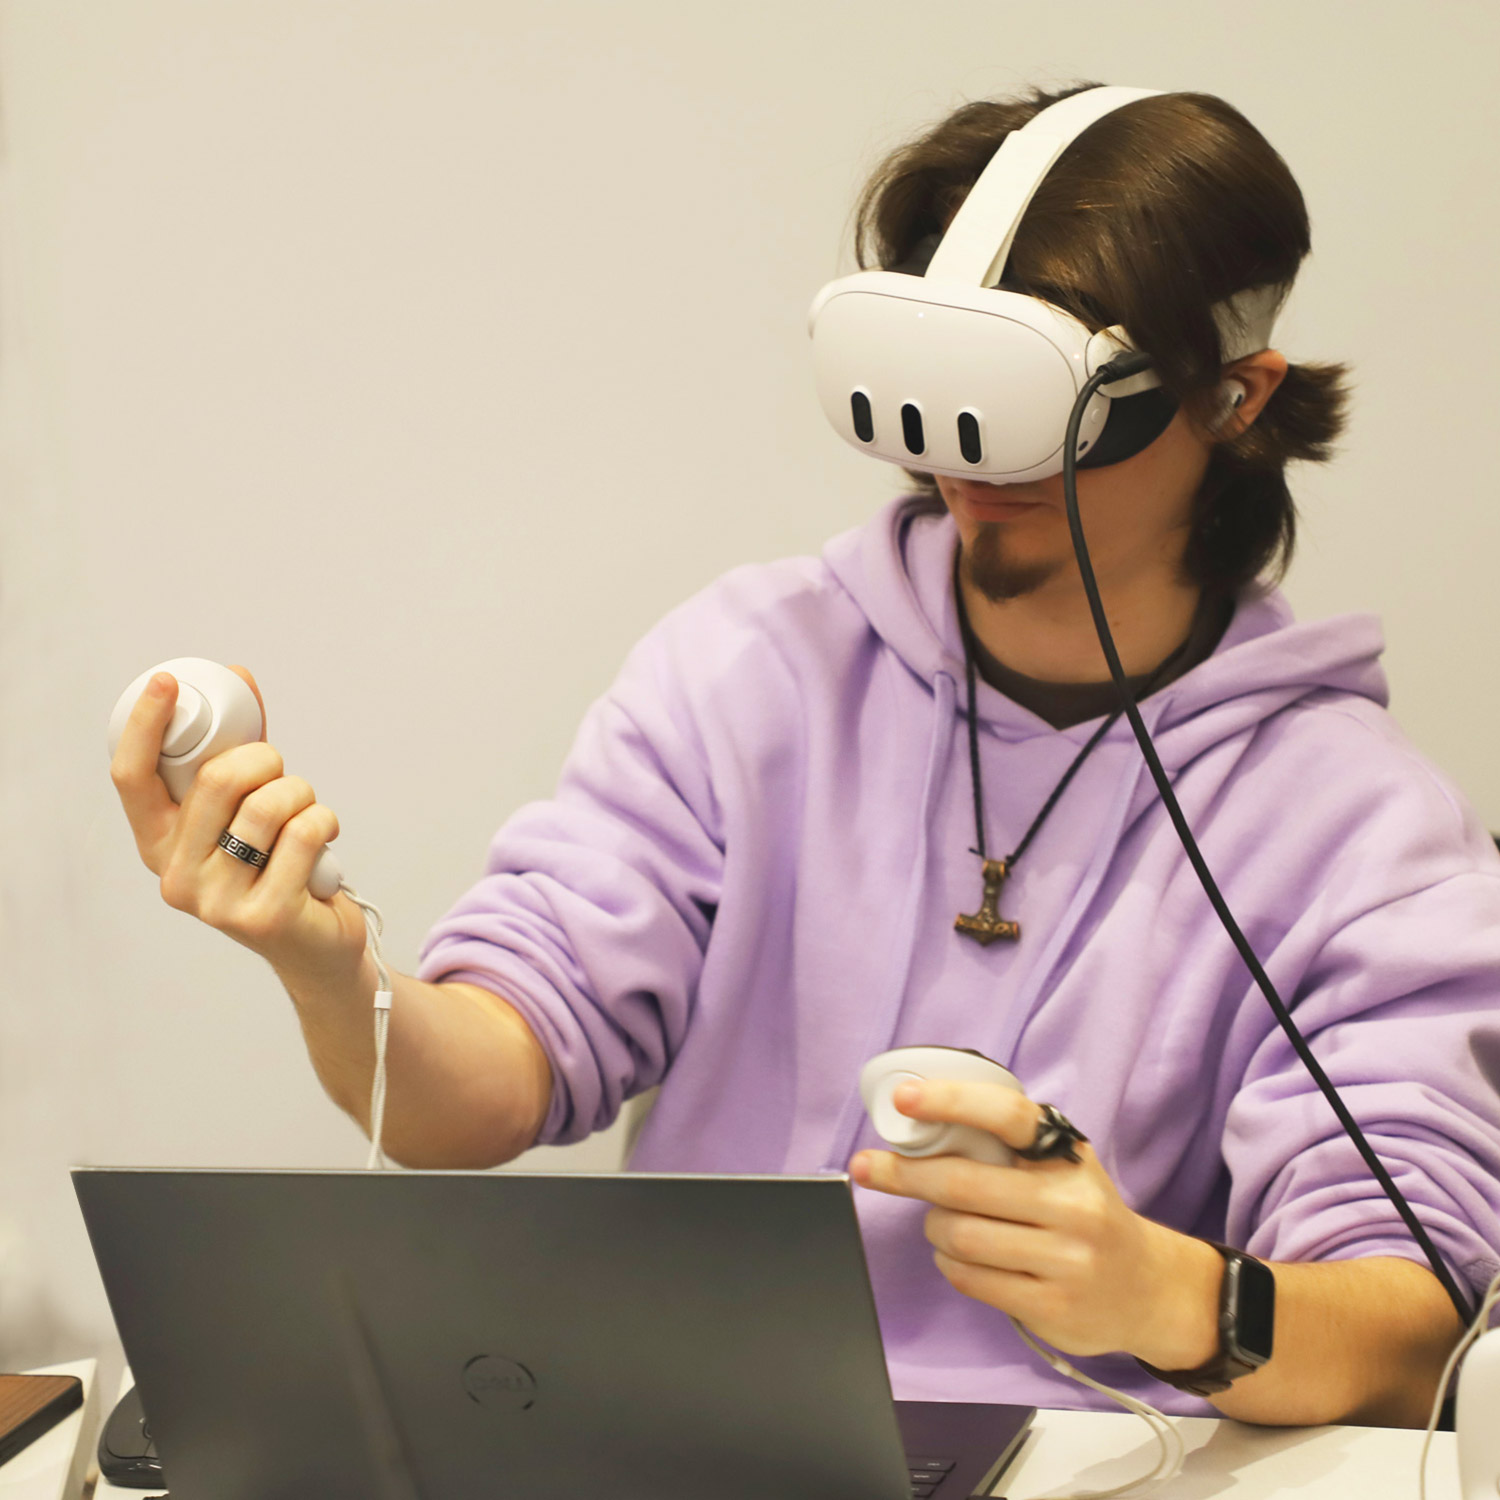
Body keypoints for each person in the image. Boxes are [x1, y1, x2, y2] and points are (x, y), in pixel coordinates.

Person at [111, 84, 1500, 1429]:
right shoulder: (754, 671)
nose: (974, 469)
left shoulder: (1358, 829)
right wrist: (328, 967)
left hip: (1100, 1462)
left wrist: (1167, 1295)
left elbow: (1410, 1328)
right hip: (687, 1439)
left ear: (1239, 399)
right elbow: (488, 1090)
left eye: (1042, 408)